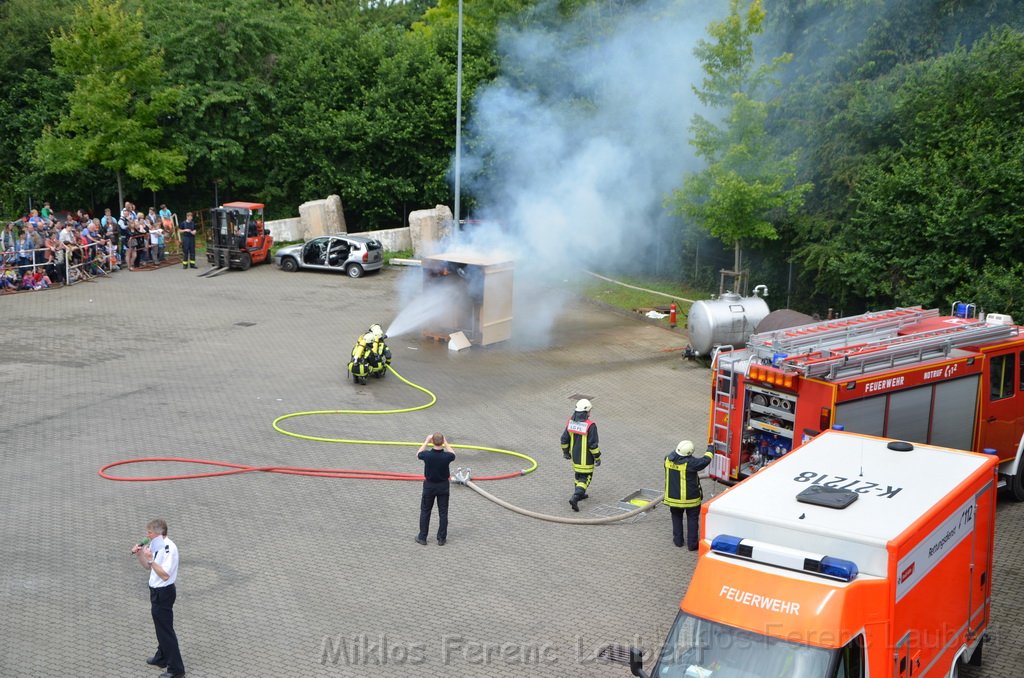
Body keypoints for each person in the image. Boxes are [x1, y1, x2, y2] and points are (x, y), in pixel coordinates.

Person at [131, 518, 185, 678]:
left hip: (164, 592)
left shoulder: (170, 548)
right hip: (155, 591)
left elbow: (165, 575)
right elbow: (148, 567)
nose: (147, 535)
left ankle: (176, 669)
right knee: (160, 626)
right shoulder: (156, 545)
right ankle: (162, 656)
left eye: (149, 533)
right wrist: (140, 554)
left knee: (166, 630)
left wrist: (150, 559)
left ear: (159, 533)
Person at [663, 440, 713, 551]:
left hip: (673, 499)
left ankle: (678, 541)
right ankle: (692, 545)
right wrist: (710, 449)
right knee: (692, 520)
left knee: (676, 518)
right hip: (691, 499)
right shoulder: (690, 463)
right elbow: (705, 461)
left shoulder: (667, 459)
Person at [416, 432, 456, 546]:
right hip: (443, 486)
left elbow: (418, 454)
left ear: (432, 441)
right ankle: (441, 538)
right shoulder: (446, 457)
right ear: (442, 442)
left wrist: (426, 441)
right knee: (443, 513)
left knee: (425, 511)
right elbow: (453, 454)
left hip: (429, 486)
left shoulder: (427, 455)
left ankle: (422, 537)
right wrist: (446, 443)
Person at [561, 398, 600, 512]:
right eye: (589, 411)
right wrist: (597, 457)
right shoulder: (590, 425)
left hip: (575, 458)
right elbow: (593, 445)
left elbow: (564, 439)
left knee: (578, 476)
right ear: (586, 412)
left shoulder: (571, 422)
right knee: (586, 478)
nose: (590, 413)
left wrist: (565, 452)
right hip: (586, 459)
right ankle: (576, 497)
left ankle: (580, 494)